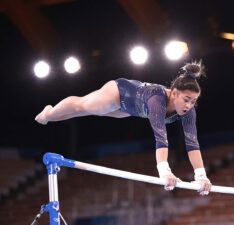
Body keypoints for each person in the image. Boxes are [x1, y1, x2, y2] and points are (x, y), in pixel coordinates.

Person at [35, 61, 212, 195]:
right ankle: (49, 113)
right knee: (82, 107)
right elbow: (160, 137)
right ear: (174, 93)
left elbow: (192, 143)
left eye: (193, 101)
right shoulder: (158, 101)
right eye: (186, 99)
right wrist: (164, 172)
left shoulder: (189, 112)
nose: (189, 105)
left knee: (80, 113)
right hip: (119, 93)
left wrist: (201, 176)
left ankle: (55, 115)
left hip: (131, 110)